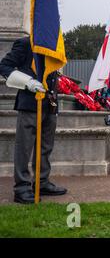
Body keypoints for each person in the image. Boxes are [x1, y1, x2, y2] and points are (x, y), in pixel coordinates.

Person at [0, 37, 67, 204]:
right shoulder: (25, 43)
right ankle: (21, 187)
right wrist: (27, 82)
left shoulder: (54, 44)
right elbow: (4, 66)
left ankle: (42, 182)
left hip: (49, 103)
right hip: (30, 102)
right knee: (24, 147)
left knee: (46, 146)